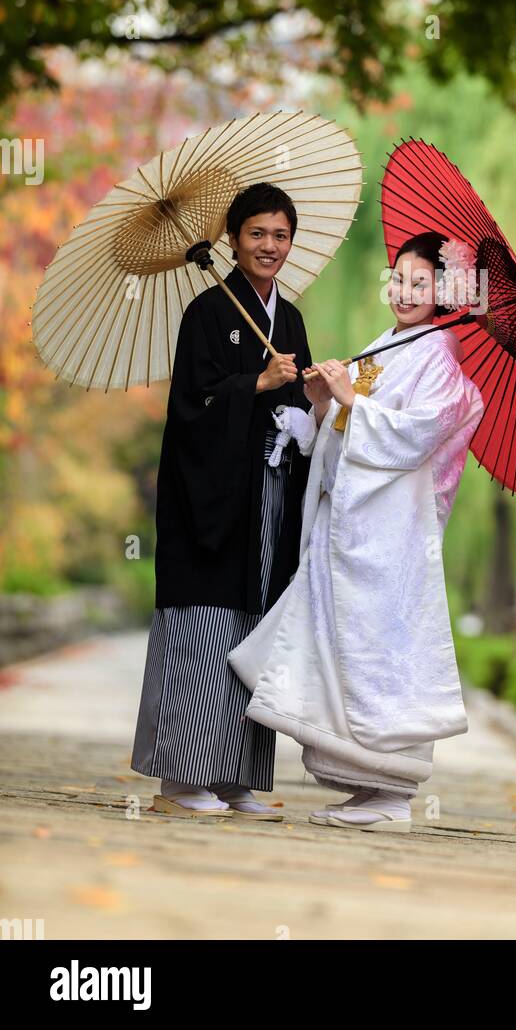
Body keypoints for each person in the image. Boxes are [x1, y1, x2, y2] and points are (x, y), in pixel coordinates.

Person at [227, 230, 486, 832]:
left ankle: (392, 793)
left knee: (382, 651)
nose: (404, 291)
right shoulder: (389, 346)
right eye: (398, 278)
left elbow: (413, 437)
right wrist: (324, 403)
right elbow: (347, 429)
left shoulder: (440, 358)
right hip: (356, 526)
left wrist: (351, 402)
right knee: (343, 646)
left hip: (396, 532)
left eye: (421, 282)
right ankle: (364, 788)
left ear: (445, 291)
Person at [131, 182, 314, 819]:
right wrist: (254, 383)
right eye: (257, 233)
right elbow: (188, 411)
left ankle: (234, 776)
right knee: (205, 628)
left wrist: (303, 412)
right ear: (233, 240)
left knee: (253, 627)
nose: (270, 246)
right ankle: (181, 781)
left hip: (266, 498)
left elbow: (298, 409)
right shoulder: (208, 314)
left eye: (281, 235)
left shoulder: (287, 320)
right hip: (207, 502)